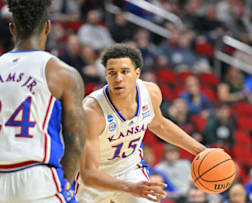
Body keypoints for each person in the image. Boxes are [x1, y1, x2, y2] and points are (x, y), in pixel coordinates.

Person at [0, 0, 86, 202]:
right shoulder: (61, 73)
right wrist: (66, 186)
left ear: (12, 29)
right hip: (36, 178)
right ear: (48, 26)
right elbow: (76, 143)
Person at [77, 44, 207, 203]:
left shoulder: (150, 93)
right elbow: (89, 174)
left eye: (125, 72)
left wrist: (201, 151)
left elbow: (160, 125)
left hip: (130, 169)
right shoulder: (92, 111)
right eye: (112, 73)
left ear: (137, 73)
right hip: (97, 179)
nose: (118, 78)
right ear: (106, 75)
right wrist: (129, 188)